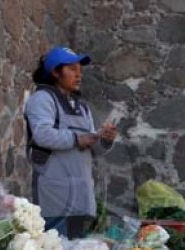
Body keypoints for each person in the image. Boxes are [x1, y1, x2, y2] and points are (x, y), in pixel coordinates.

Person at [24, 46, 117, 238]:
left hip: (81, 195)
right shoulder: (42, 99)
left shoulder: (82, 107)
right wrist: (77, 139)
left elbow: (92, 147)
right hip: (54, 196)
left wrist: (104, 140)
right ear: (55, 72)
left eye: (80, 70)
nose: (79, 75)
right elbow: (42, 134)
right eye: (72, 69)